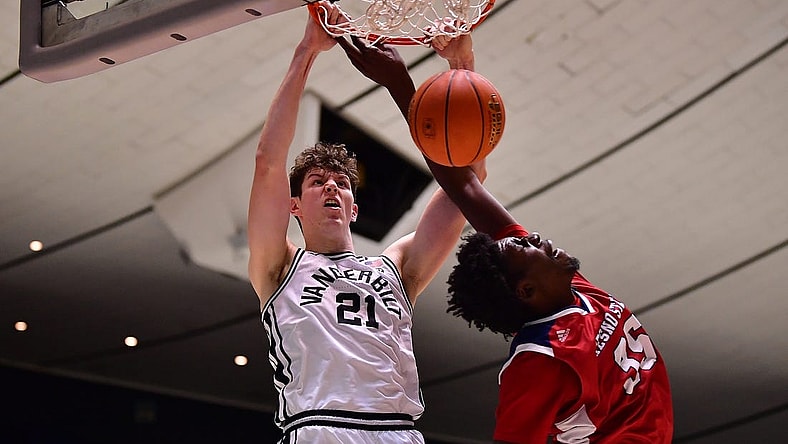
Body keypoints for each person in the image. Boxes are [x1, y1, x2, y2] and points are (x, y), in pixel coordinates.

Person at [343, 32, 675, 444]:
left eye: (524, 240)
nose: (532, 236)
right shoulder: (537, 361)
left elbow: (465, 187)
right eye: (524, 246)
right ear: (526, 289)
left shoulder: (571, 292)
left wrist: (417, 80)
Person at [246, 5, 479, 443]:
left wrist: (462, 69)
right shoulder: (279, 266)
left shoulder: (396, 268)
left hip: (397, 432)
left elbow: (467, 189)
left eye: (341, 184)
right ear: (293, 206)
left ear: (354, 208)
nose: (332, 188)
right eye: (317, 183)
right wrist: (307, 51)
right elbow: (267, 163)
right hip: (319, 429)